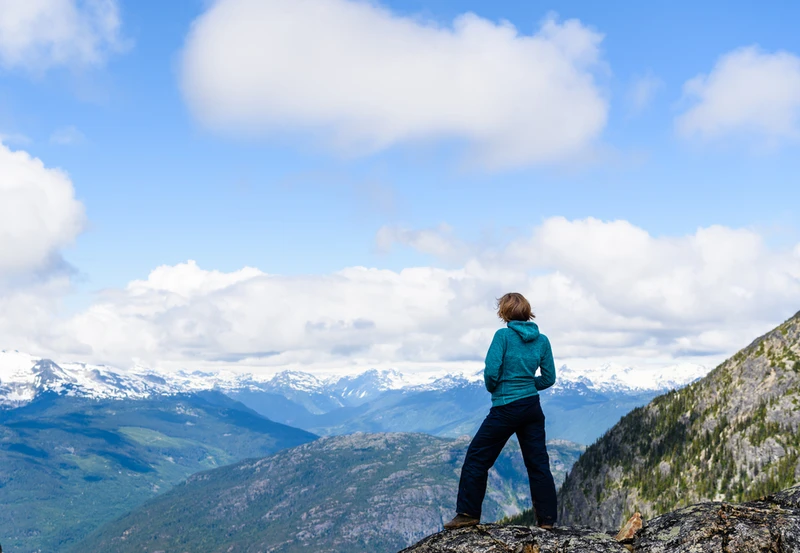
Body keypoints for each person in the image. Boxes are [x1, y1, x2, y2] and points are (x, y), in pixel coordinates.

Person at [445, 292, 558, 530]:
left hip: (506, 408)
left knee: (477, 458)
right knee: (538, 464)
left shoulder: (503, 336)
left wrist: (496, 389)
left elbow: (491, 372)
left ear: (504, 313)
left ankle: (468, 514)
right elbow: (549, 378)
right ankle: (547, 520)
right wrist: (528, 386)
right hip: (532, 408)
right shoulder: (542, 340)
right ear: (528, 312)